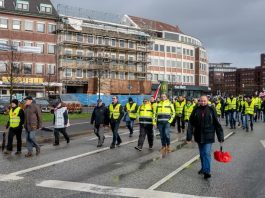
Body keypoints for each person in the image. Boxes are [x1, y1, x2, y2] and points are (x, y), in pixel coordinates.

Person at [187, 95, 224, 179]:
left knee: (207, 153)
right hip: (198, 135)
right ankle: (203, 168)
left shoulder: (211, 109)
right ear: (199, 101)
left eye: (204, 101)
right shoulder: (196, 109)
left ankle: (207, 171)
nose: (203, 102)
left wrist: (220, 137)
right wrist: (189, 136)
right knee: (202, 153)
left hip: (209, 135)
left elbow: (217, 124)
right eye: (201, 101)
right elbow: (191, 123)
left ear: (207, 101)